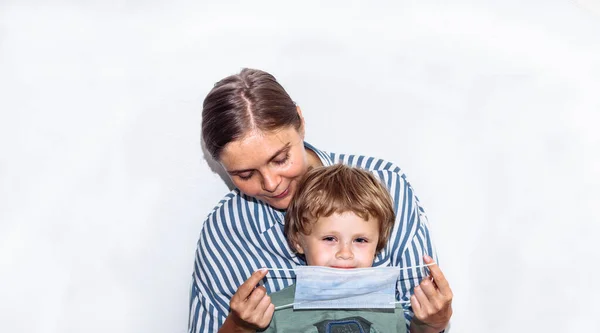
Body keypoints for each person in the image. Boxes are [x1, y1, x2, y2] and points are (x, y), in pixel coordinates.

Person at [189, 68, 452, 333]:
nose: (270, 183)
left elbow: (414, 323)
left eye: (280, 159)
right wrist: (238, 326)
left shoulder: (388, 187)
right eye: (245, 174)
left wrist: (433, 323)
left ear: (300, 123)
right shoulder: (224, 232)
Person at [263, 163, 409, 332]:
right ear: (298, 241)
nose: (345, 253)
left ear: (378, 245)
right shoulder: (272, 311)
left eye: (360, 240)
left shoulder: (391, 310)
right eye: (330, 238)